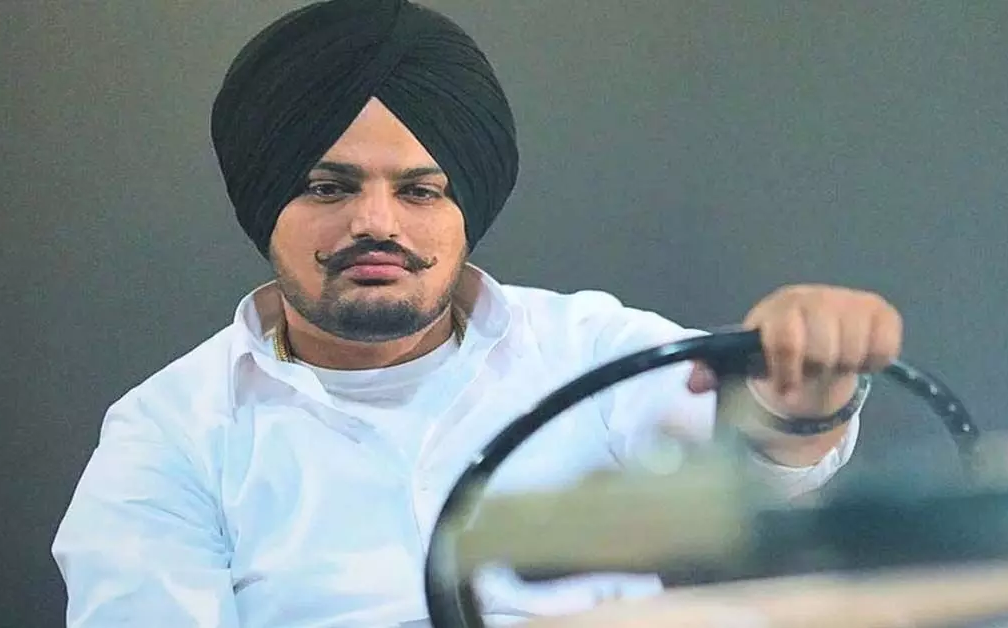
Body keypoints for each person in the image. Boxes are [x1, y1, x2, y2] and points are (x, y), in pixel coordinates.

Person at [51, 0, 904, 626]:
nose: (376, 223)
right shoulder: (168, 434)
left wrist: (803, 392)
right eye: (327, 187)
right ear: (265, 203)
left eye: (420, 191)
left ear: (466, 211)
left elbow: (759, 466)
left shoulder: (590, 351)